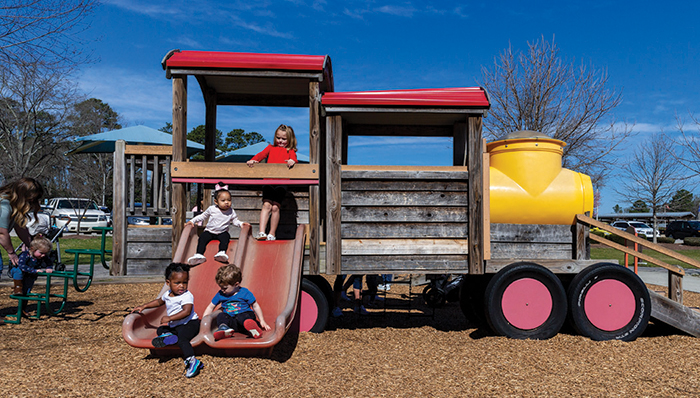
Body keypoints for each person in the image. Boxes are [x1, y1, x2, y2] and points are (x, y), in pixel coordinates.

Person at [131, 263, 203, 378]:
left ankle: (193, 361)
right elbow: (159, 302)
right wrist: (144, 306)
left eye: (185, 282)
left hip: (190, 324)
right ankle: (169, 336)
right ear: (168, 283)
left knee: (182, 339)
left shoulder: (186, 296)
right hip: (176, 325)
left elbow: (186, 312)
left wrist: (169, 318)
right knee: (161, 329)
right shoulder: (168, 294)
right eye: (177, 283)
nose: (182, 286)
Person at [246, 124, 298, 241]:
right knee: (266, 205)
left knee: (275, 207)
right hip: (269, 181)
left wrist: (292, 161)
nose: (280, 141)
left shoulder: (290, 151)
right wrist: (254, 160)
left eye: (284, 139)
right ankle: (261, 232)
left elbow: (294, 159)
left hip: (281, 182)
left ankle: (272, 233)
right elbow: (261, 155)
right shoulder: (270, 148)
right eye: (278, 138)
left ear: (289, 139)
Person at [202, 263, 270, 340]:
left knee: (242, 317)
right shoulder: (220, 294)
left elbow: (255, 306)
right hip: (233, 321)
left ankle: (252, 328)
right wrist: (204, 320)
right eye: (220, 287)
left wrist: (262, 320)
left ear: (236, 284)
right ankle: (224, 328)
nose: (222, 290)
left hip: (245, 316)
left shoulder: (244, 292)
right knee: (221, 315)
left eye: (225, 288)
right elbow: (210, 306)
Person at [186, 183, 248, 266]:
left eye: (229, 200)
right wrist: (192, 221)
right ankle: (199, 255)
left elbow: (235, 221)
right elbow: (202, 216)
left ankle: (221, 253)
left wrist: (241, 224)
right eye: (223, 201)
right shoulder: (212, 209)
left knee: (226, 237)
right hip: (210, 231)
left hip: (222, 232)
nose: (226, 203)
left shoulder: (231, 211)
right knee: (202, 238)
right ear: (216, 201)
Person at [0, 178, 44, 279]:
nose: (32, 202)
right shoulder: (4, 204)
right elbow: (2, 233)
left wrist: (32, 246)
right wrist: (11, 253)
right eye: (31, 199)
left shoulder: (13, 205)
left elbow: (20, 227)